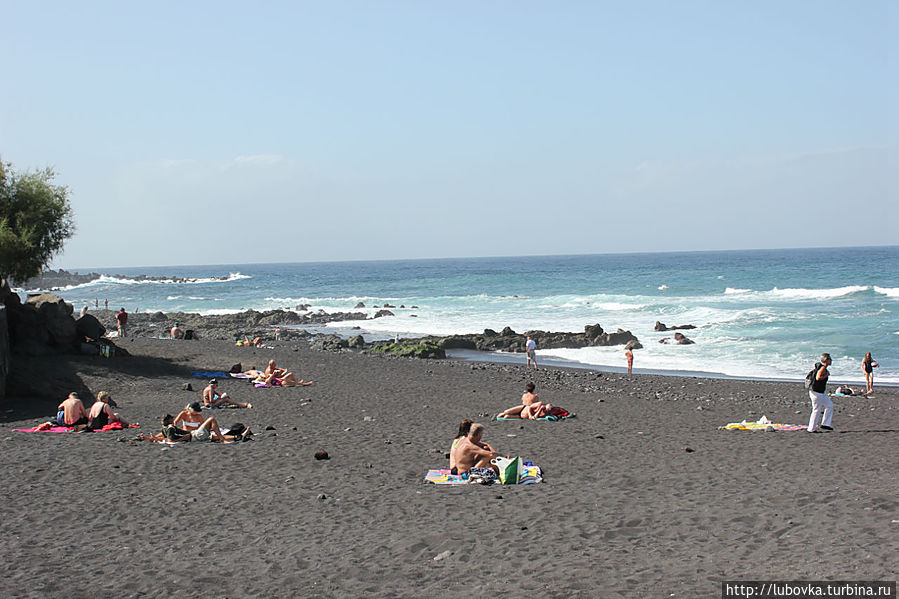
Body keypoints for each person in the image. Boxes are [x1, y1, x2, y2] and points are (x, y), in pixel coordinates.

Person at [807, 353, 834, 433]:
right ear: (826, 360)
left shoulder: (822, 368)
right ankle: (811, 429)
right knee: (816, 410)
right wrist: (826, 375)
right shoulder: (822, 368)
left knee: (829, 405)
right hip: (816, 392)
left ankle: (825, 424)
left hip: (821, 392)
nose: (831, 361)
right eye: (830, 359)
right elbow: (818, 377)